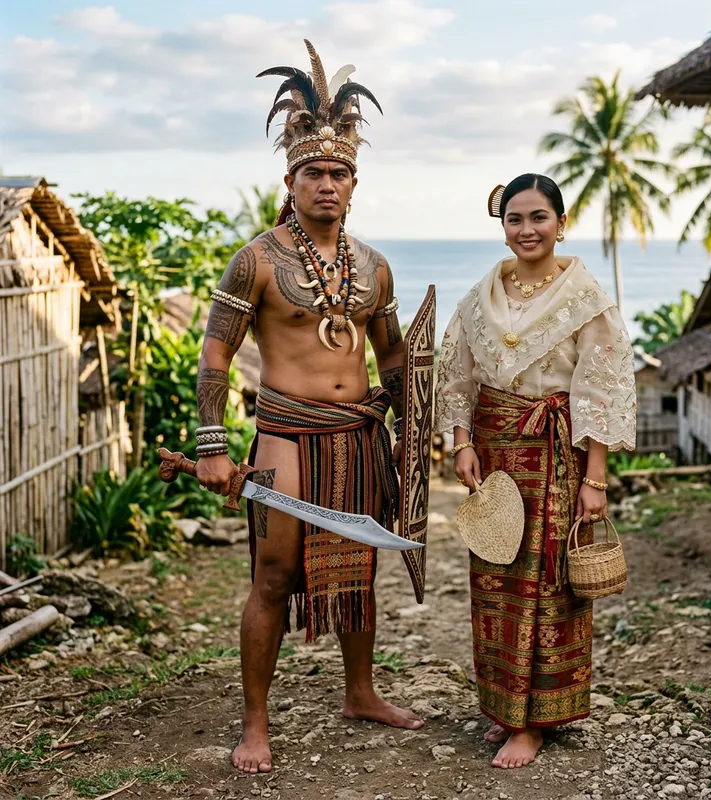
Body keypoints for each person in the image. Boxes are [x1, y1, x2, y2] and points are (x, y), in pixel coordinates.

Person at [194, 40, 423, 776]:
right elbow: (216, 356)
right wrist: (212, 446)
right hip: (286, 434)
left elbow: (390, 353)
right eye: (313, 173)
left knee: (358, 566)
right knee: (273, 575)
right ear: (289, 181)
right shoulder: (256, 259)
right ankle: (255, 722)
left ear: (354, 186)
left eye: (339, 174)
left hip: (360, 436)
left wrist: (400, 424)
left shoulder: (375, 267)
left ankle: (361, 691)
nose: (326, 184)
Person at [434, 173, 636, 769]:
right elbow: (458, 372)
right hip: (495, 455)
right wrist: (461, 442)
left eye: (539, 217)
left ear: (561, 223)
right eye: (516, 219)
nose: (527, 229)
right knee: (495, 576)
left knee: (547, 583)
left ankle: (536, 721)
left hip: (554, 458)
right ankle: (502, 706)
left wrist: (594, 481)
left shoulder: (585, 298)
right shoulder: (481, 297)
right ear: (503, 228)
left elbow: (600, 389)